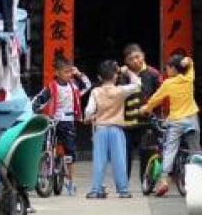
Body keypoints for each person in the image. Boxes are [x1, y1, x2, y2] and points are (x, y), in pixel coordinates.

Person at [138, 53, 200, 196]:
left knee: (170, 149)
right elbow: (190, 63)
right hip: (192, 118)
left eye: (167, 69)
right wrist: (186, 62)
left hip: (177, 120)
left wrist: (145, 109)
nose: (166, 72)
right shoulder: (189, 78)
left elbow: (155, 100)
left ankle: (164, 180)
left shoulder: (168, 83)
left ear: (173, 68)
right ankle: (199, 178)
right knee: (195, 150)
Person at [31, 56, 91, 196]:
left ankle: (70, 181)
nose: (69, 74)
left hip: (68, 122)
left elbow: (87, 85)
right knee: (47, 145)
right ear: (57, 72)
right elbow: (38, 100)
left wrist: (79, 73)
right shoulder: (51, 87)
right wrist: (35, 111)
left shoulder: (74, 86)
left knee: (70, 151)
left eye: (70, 71)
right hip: (53, 121)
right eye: (66, 72)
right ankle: (46, 165)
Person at [84, 60, 141, 199]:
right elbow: (137, 84)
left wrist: (88, 118)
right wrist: (127, 71)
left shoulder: (95, 91)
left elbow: (89, 110)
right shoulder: (121, 90)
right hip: (117, 129)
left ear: (99, 77)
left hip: (101, 128)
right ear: (115, 76)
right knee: (120, 160)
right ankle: (123, 190)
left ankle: (95, 190)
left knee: (99, 160)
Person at [119, 43, 162, 184]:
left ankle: (147, 183)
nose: (136, 61)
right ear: (126, 61)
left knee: (146, 153)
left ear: (143, 55)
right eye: (131, 59)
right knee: (124, 155)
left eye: (138, 57)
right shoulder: (121, 76)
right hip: (126, 122)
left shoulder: (153, 74)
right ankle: (123, 185)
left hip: (147, 121)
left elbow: (161, 95)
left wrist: (153, 111)